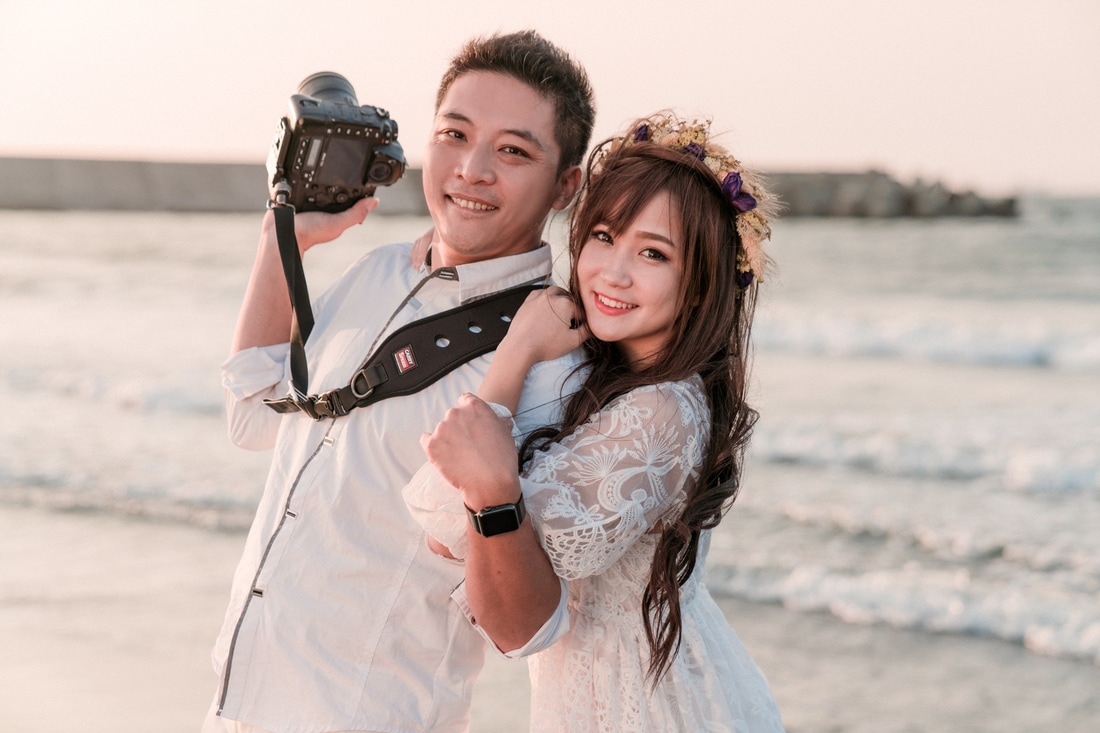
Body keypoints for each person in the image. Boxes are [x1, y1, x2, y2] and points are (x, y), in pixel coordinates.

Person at [204, 30, 595, 733]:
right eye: (455, 133)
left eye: (513, 150)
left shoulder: (553, 361)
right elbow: (253, 419)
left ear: (566, 184)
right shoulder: (377, 271)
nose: (472, 169)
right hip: (238, 704)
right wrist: (280, 241)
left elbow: (527, 624)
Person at [406, 113, 786, 732]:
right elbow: (457, 519)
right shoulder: (612, 381)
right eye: (604, 236)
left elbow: (470, 546)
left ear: (698, 284)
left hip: (651, 709)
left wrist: (518, 350)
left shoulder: (659, 412)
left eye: (654, 254)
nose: (613, 271)